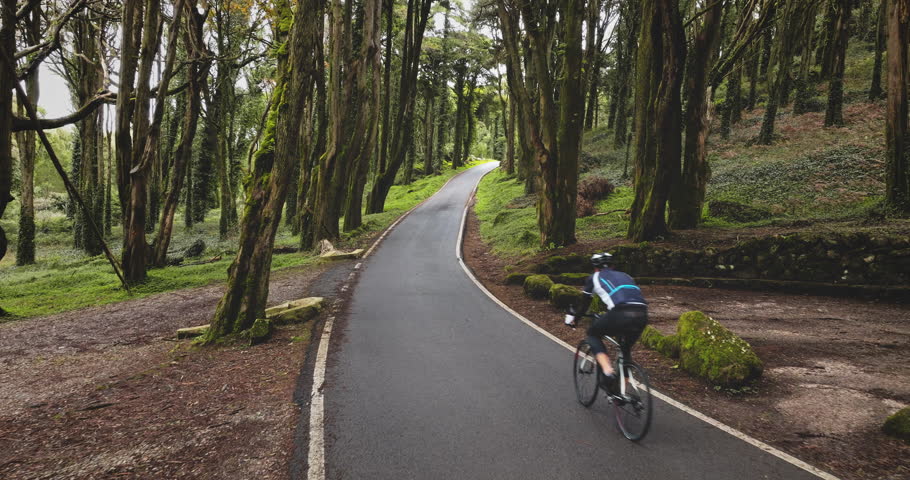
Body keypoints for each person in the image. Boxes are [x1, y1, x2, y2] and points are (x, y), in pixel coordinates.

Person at [564, 252, 648, 394]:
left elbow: (584, 304)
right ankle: (621, 390)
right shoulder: (627, 276)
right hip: (642, 313)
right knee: (625, 348)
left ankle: (608, 371)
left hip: (620, 312)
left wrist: (575, 319)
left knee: (592, 334)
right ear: (613, 265)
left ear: (595, 267)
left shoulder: (594, 278)